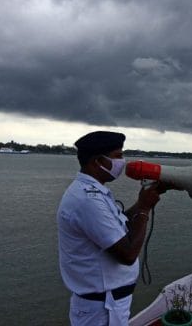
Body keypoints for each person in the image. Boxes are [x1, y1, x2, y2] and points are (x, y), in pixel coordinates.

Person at [57, 131, 165, 326]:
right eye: (118, 156)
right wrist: (144, 208)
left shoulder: (94, 193)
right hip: (101, 309)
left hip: (107, 305)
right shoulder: (87, 201)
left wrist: (143, 201)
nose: (122, 162)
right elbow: (128, 255)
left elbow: (121, 224)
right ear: (98, 161)